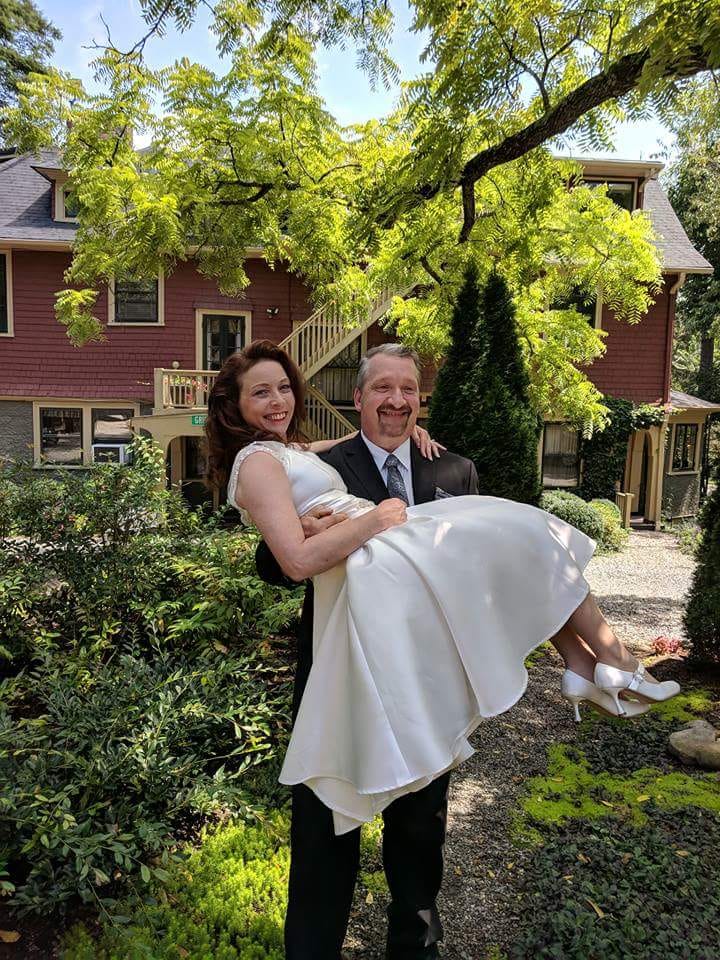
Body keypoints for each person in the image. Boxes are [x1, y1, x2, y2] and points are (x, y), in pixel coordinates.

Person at [205, 339, 679, 960]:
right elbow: (280, 557)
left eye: (408, 390)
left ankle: (593, 662)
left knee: (420, 830)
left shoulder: (450, 467)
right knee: (325, 836)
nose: (395, 402)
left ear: (420, 399)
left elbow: (485, 581)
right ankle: (600, 663)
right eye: (382, 389)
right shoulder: (318, 461)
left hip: (427, 671)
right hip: (347, 656)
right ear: (358, 396)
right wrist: (350, 524)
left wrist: (408, 453)